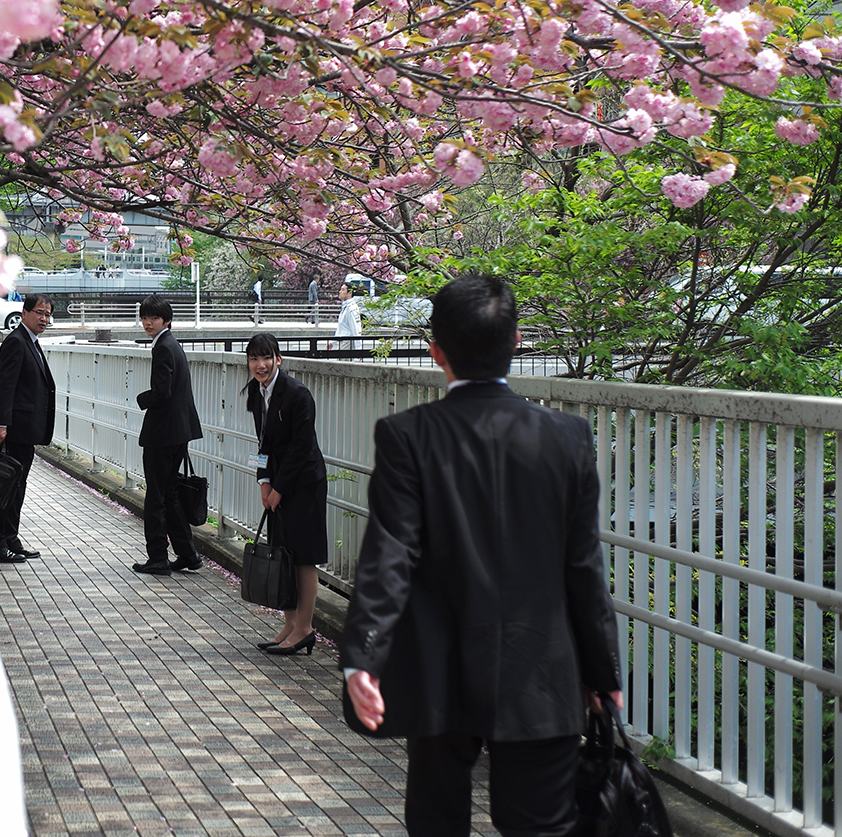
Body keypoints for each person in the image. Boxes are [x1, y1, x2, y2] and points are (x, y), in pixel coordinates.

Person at [339, 273, 622, 837]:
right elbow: (583, 568)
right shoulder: (567, 437)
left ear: (435, 351)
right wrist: (602, 670)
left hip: (439, 669)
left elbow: (390, 556)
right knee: (540, 826)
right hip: (541, 667)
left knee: (437, 821)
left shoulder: (407, 435)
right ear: (516, 341)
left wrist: (363, 657)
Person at [244, 332, 325, 655]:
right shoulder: (257, 392)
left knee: (303, 557)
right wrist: (263, 481)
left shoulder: (297, 394)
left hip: (303, 483)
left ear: (279, 359)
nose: (260, 365)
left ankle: (304, 628)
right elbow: (262, 442)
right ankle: (290, 624)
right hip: (277, 481)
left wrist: (279, 488)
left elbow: (301, 448)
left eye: (267, 357)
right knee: (283, 554)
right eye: (254, 359)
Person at [131, 296, 205, 576]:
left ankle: (158, 557)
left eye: (154, 318)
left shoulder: (163, 347)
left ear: (167, 320)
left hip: (162, 434)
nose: (148, 323)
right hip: (179, 431)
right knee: (170, 494)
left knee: (156, 497)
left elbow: (162, 392)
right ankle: (188, 554)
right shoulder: (172, 344)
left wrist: (142, 399)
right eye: (144, 317)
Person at [0, 295, 55, 565]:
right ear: (24, 313)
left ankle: (10, 539)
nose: (44, 319)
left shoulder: (30, 341)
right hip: (13, 429)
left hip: (26, 430)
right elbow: (6, 386)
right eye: (39, 313)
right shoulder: (16, 341)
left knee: (16, 488)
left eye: (48, 314)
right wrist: (1, 424)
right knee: (4, 488)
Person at [333, 278, 365, 349]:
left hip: (347, 341)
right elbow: (341, 327)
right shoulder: (346, 306)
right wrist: (333, 342)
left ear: (350, 293)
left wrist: (358, 347)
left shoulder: (351, 308)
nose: (340, 292)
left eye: (343, 290)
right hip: (343, 341)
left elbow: (355, 328)